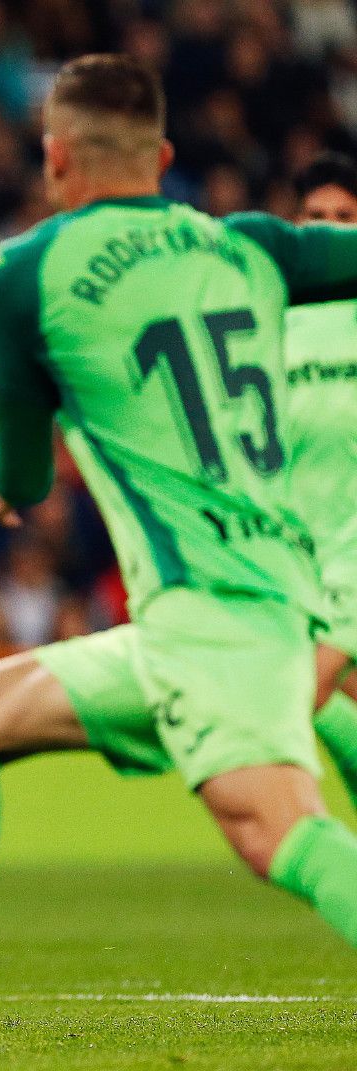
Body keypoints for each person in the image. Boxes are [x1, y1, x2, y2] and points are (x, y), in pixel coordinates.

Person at [0, 54, 357, 1041]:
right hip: (204, 613)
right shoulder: (254, 245)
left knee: (278, 829)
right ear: (164, 156)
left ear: (55, 160)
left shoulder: (25, 270)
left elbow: (25, 476)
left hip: (223, 613)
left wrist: (9, 478)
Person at [282, 154, 357, 808]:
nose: (331, 231)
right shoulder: (259, 325)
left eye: (345, 218)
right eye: (317, 218)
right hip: (299, 579)